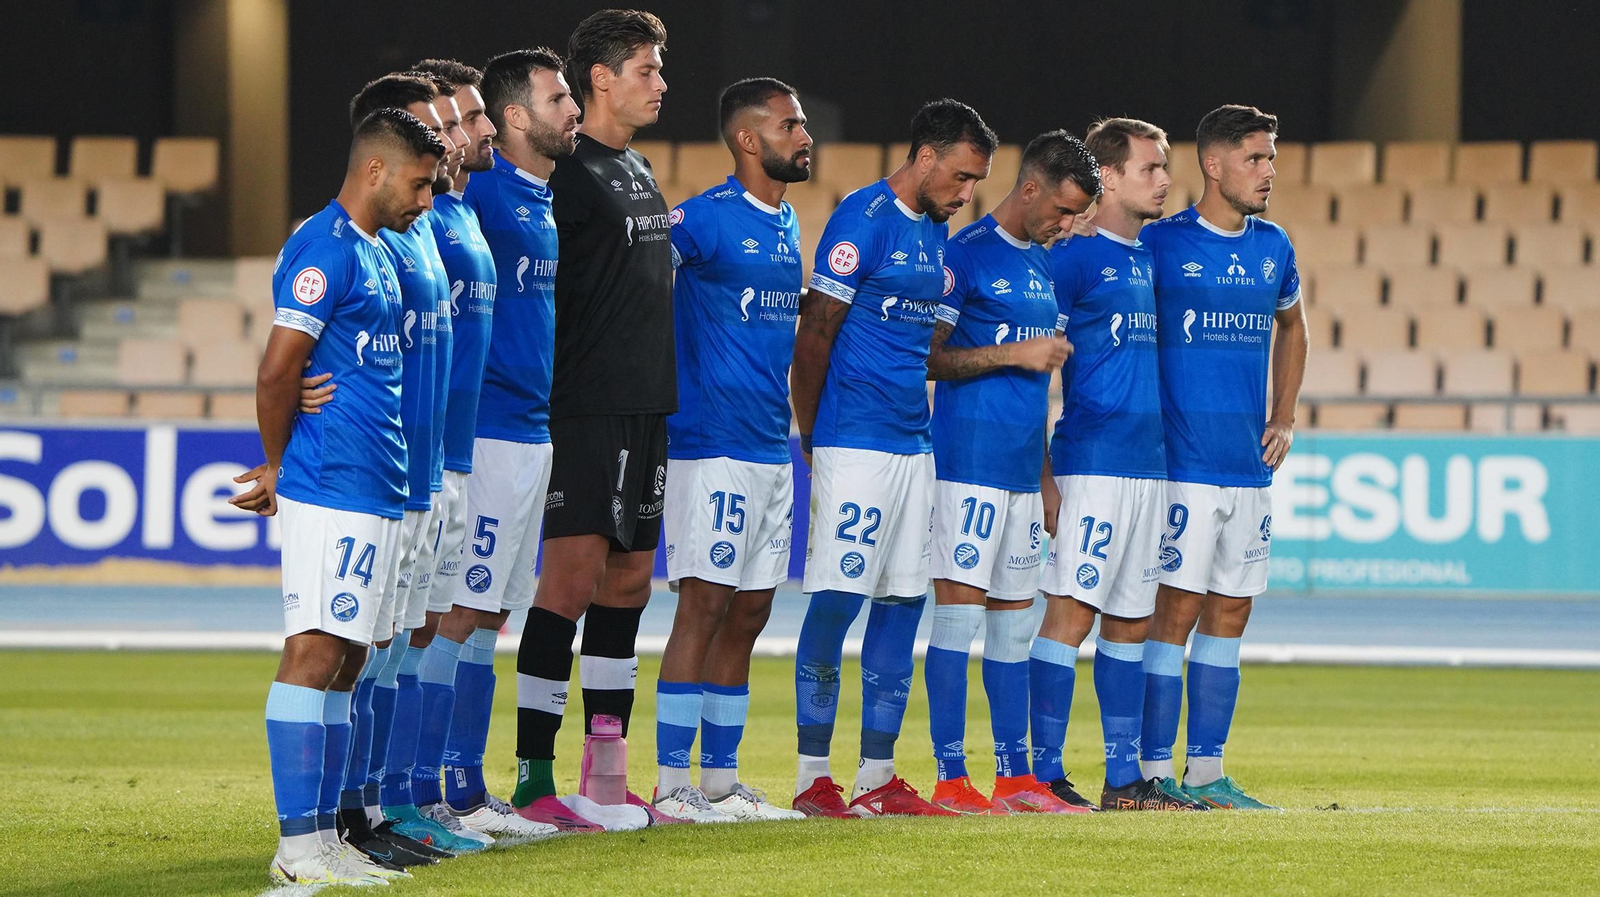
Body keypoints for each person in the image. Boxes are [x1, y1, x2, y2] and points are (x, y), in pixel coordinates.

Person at [232, 107, 443, 886]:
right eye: (419, 184)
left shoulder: (377, 251)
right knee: (314, 650)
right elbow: (276, 368)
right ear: (377, 170)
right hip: (334, 481)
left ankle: (326, 839)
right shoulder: (325, 246)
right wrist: (277, 464)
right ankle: (296, 852)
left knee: (350, 657)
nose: (426, 201)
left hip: (377, 479)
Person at [789, 98, 995, 818]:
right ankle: (813, 775)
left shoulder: (936, 232)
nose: (966, 194)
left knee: (904, 601)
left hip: (914, 443)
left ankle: (877, 776)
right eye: (962, 177)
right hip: (856, 440)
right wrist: (813, 431)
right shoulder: (863, 219)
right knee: (840, 598)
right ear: (928, 156)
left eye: (976, 183)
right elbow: (815, 331)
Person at [510, 9, 677, 829]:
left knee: (631, 586)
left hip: (647, 404)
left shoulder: (638, 167)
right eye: (647, 69)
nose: (661, 83)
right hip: (584, 406)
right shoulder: (567, 173)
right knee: (570, 583)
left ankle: (604, 775)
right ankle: (533, 779)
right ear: (601, 78)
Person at [650, 77, 812, 823]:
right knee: (704, 604)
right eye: (789, 126)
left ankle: (720, 780)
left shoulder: (787, 225)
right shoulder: (702, 220)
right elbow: (635, 280)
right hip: (708, 444)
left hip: (768, 448)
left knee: (750, 610)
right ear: (748, 140)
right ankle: (670, 782)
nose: (803, 136)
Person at [1138, 104, 1308, 810]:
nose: (1269, 172)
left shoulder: (1275, 245)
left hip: (1248, 467)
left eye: (1271, 158)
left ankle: (1207, 771)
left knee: (1231, 612)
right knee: (1174, 611)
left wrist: (1283, 412)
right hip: (1183, 465)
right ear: (1213, 163)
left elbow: (1293, 326)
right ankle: (1149, 771)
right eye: (1256, 158)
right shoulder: (1161, 243)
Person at [922, 130, 1097, 816]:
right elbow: (931, 359)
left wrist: (1047, 477)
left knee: (1014, 631)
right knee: (957, 626)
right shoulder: (962, 258)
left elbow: (1036, 385)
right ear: (1029, 189)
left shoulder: (1045, 269)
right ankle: (948, 775)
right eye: (1061, 210)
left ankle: (1014, 777)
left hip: (1024, 475)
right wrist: (1013, 353)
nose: (1066, 225)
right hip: (966, 466)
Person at [1034, 118, 1206, 811]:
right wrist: (1043, 470)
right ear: (1106, 177)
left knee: (1131, 620)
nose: (1164, 180)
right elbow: (1032, 360)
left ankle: (1121, 777)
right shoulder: (1071, 258)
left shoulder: (1145, 257)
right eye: (1149, 168)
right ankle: (1040, 774)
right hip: (1093, 463)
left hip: (1148, 465)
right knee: (1072, 613)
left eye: (1165, 167)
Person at [342, 73, 493, 856]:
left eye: (460, 121)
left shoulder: (439, 221)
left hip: (438, 464)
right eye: (449, 122)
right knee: (364, 643)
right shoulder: (369, 240)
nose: (463, 135)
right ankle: (353, 813)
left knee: (409, 636)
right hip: (389, 474)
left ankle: (397, 800)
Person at [406, 55, 554, 843]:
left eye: (478, 118)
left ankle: (457, 784)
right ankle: (432, 790)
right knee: (450, 615)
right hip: (476, 437)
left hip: (512, 433)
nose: (483, 130)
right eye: (463, 120)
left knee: (485, 611)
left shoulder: (468, 210)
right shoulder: (441, 213)